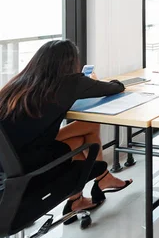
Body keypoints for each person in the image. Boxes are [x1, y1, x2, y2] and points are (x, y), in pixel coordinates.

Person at [0, 40, 132, 221]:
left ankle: (82, 195)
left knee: (87, 129)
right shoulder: (71, 82)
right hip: (26, 169)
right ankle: (102, 178)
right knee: (85, 133)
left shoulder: (18, 83)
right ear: (71, 62)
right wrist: (91, 81)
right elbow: (116, 87)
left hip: (8, 163)